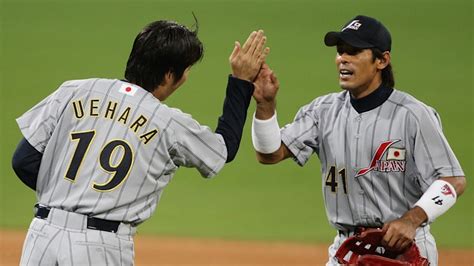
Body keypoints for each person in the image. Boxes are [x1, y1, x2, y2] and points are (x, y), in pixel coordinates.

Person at [12, 18, 269, 265]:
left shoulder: (74, 90)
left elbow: (23, 161)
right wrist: (241, 82)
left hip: (42, 235)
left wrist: (67, 199)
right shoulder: (167, 122)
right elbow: (222, 149)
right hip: (99, 246)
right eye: (187, 70)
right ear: (170, 75)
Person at [250, 15, 466, 265]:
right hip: (347, 249)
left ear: (382, 60)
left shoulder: (413, 115)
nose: (343, 58)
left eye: (354, 52)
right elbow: (269, 154)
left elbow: (453, 179)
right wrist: (265, 104)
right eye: (341, 51)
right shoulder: (322, 111)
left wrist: (412, 219)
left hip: (406, 248)